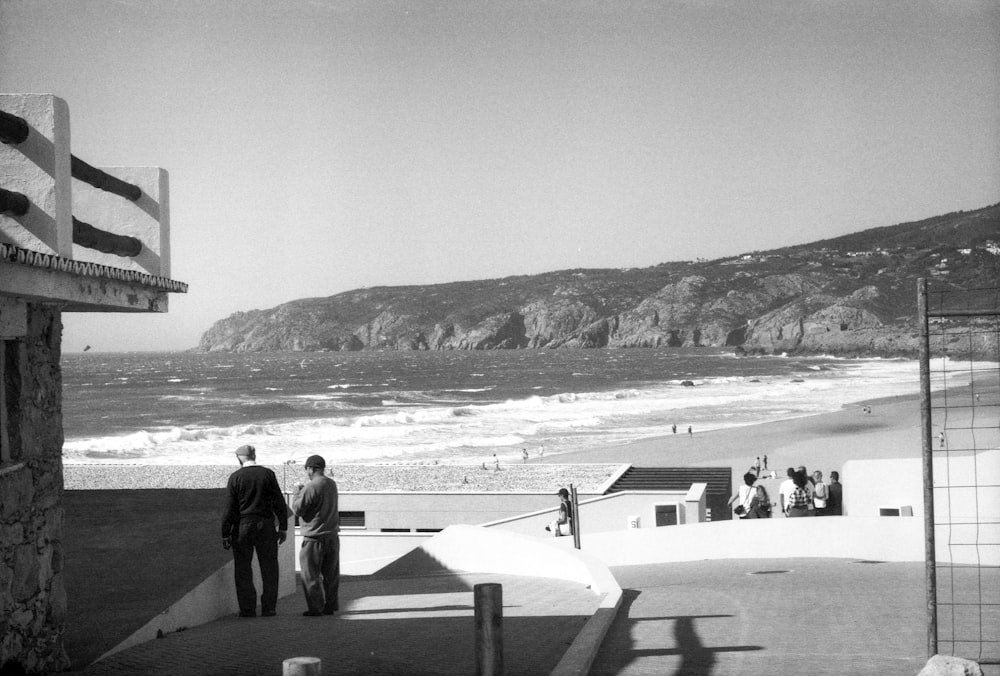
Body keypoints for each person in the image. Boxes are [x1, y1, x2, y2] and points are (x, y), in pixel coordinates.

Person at [221, 444, 288, 618]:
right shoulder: (268, 474)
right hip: (265, 525)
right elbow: (279, 502)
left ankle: (248, 609)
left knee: (243, 568)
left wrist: (226, 532)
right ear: (254, 455)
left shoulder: (235, 477)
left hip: (243, 526)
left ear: (240, 458)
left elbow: (230, 508)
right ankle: (269, 608)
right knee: (269, 567)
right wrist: (283, 527)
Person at [292, 454, 340, 617]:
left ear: (310, 468)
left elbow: (298, 510)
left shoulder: (312, 486)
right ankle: (331, 605)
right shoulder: (331, 484)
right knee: (331, 574)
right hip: (332, 536)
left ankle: (316, 607)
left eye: (307, 469)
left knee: (310, 575)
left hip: (314, 538)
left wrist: (297, 492)